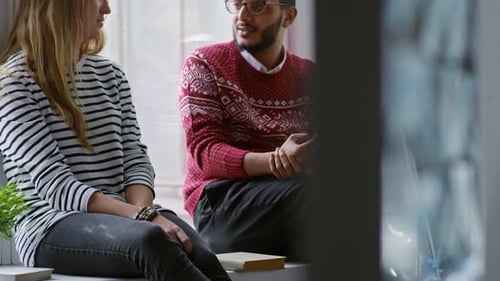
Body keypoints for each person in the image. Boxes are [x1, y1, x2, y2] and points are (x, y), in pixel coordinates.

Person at [0, 1, 231, 281]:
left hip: (125, 216)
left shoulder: (111, 76)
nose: (107, 9)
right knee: (151, 240)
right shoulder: (13, 84)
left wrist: (142, 212)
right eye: (99, 0)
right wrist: (141, 218)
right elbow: (56, 186)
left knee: (201, 252)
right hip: (50, 226)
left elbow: (135, 158)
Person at [178, 0, 314, 261]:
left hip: (287, 199)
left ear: (288, 16)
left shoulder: (309, 76)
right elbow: (205, 154)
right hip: (221, 202)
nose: (241, 15)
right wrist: (277, 160)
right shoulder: (204, 64)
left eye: (257, 6)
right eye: (237, 4)